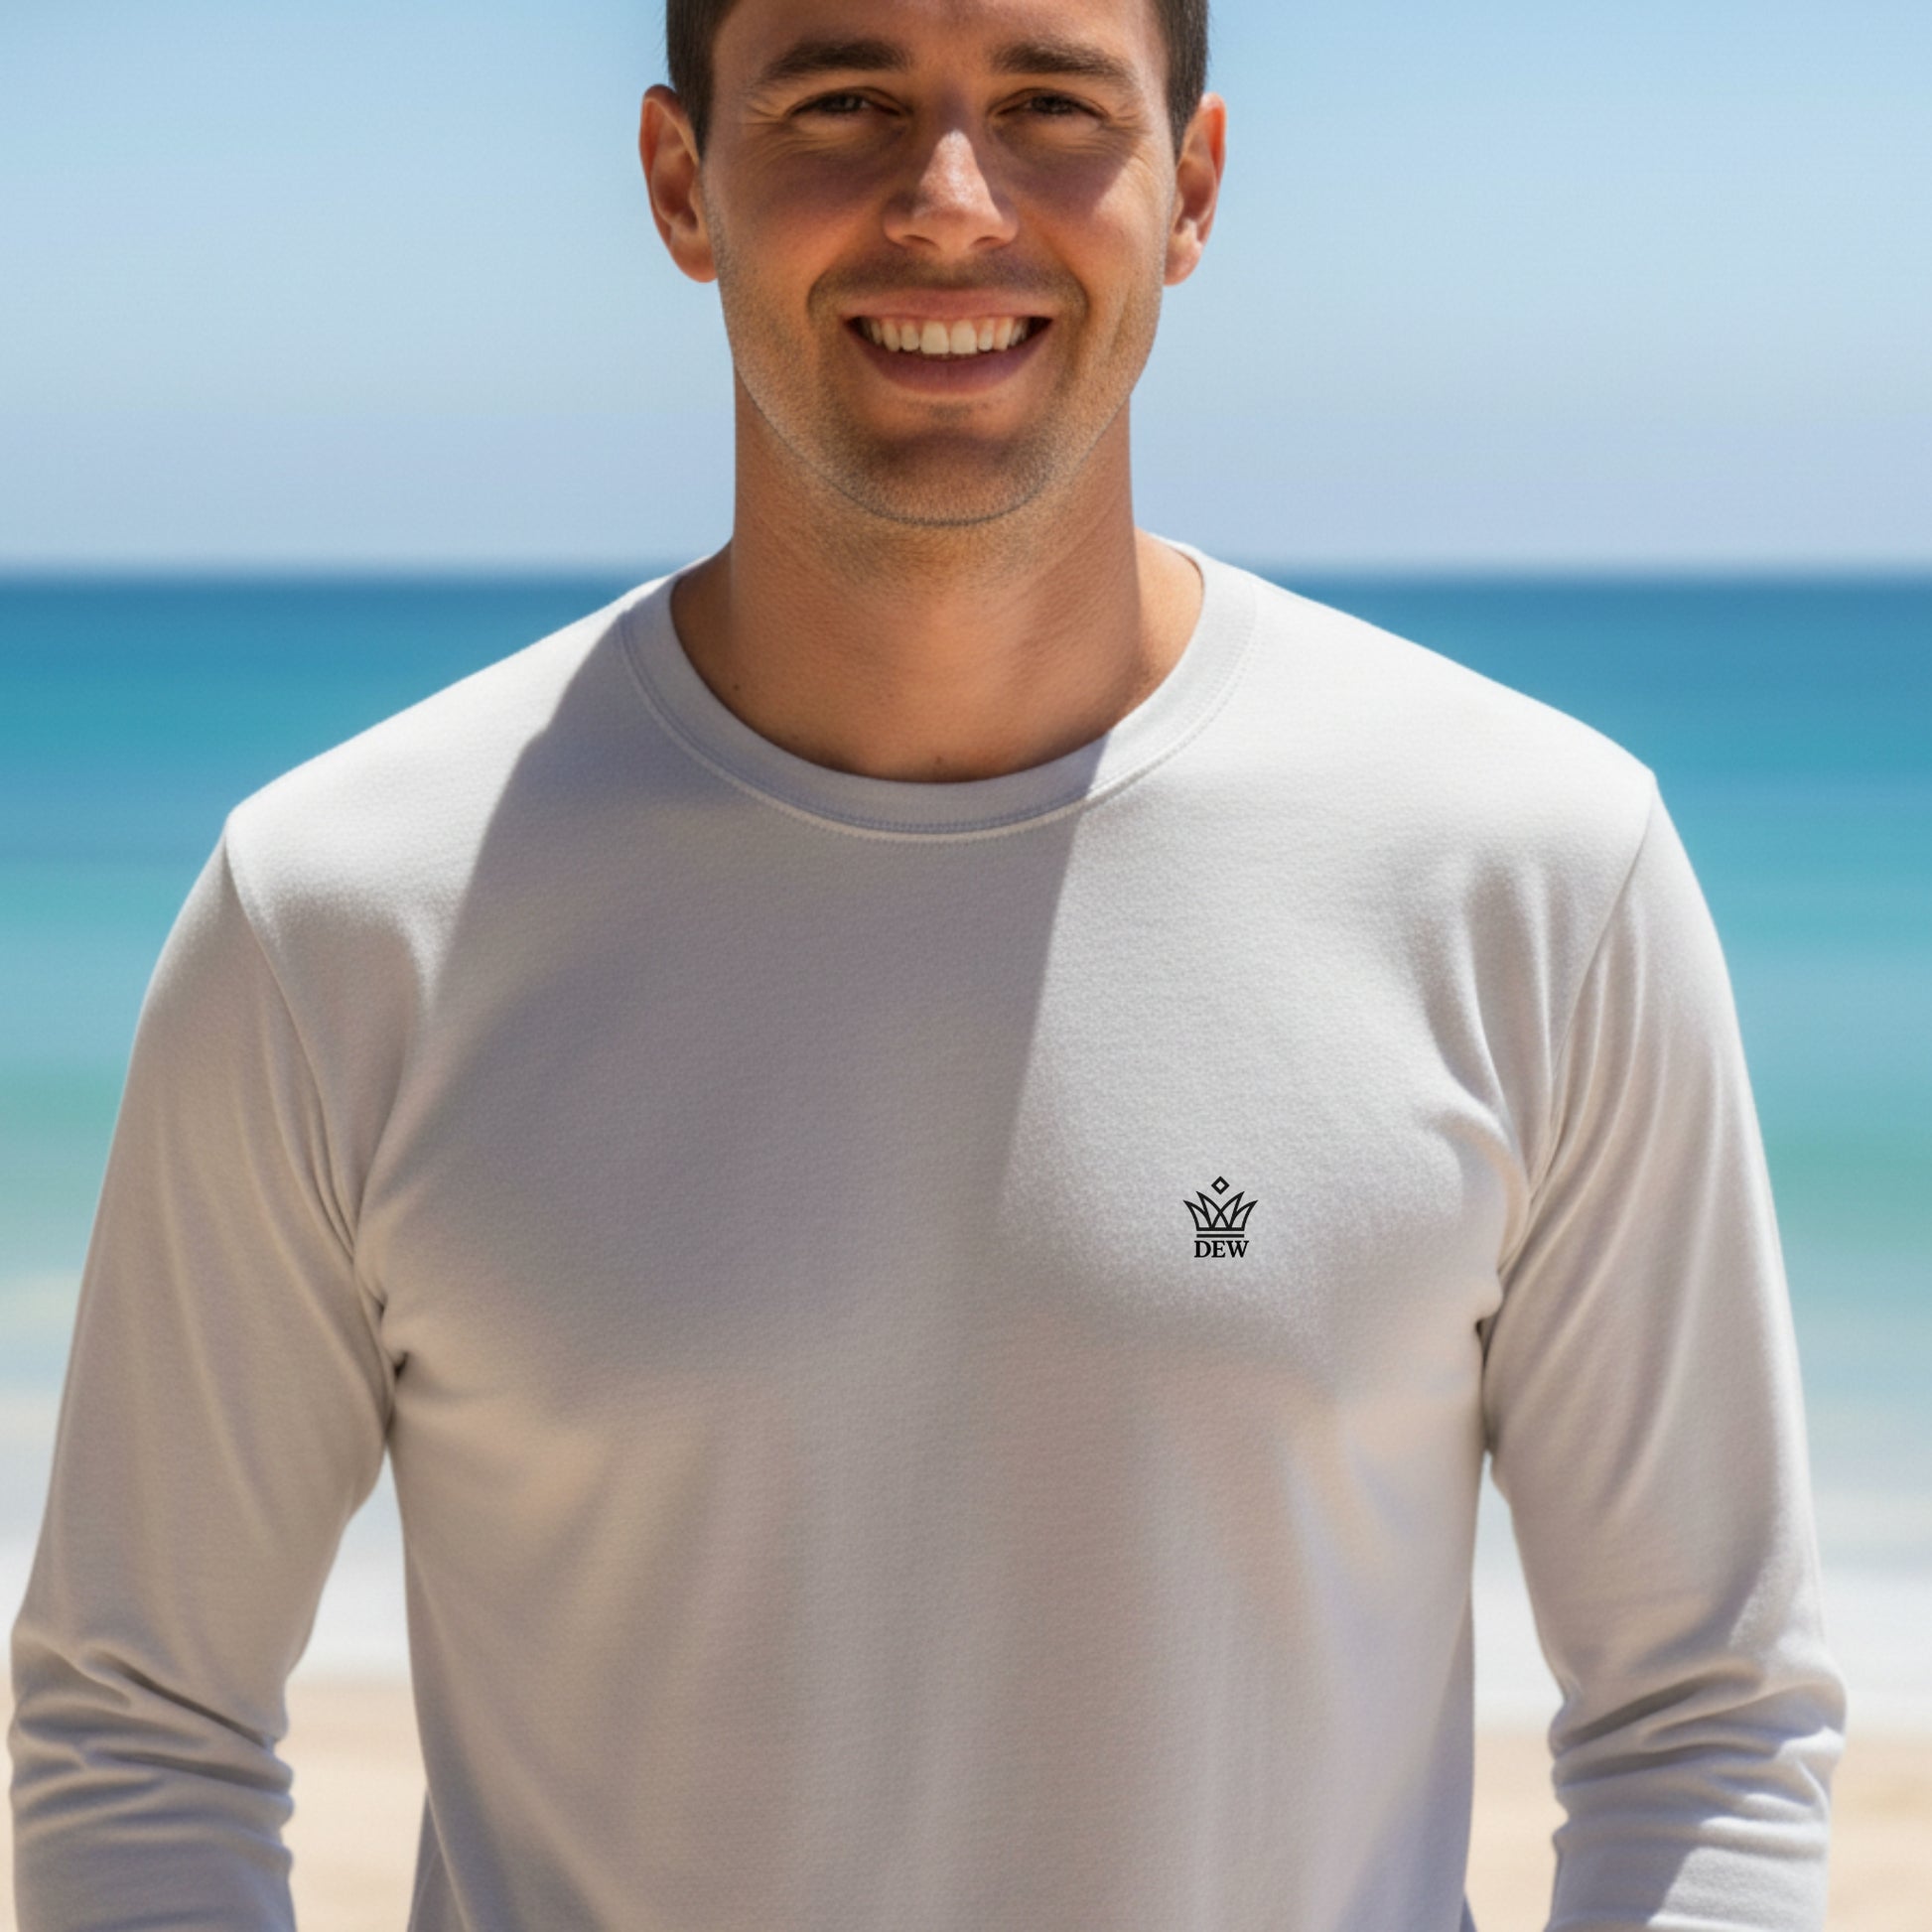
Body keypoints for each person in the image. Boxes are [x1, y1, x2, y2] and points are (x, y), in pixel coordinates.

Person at [9, 0, 1846, 1925]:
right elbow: (144, 1720)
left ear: (1191, 185)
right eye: (842, 100)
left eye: (1048, 103)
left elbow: (1699, 1718)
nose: (949, 202)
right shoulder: (339, 916)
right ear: (677, 181)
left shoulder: (1534, 873)